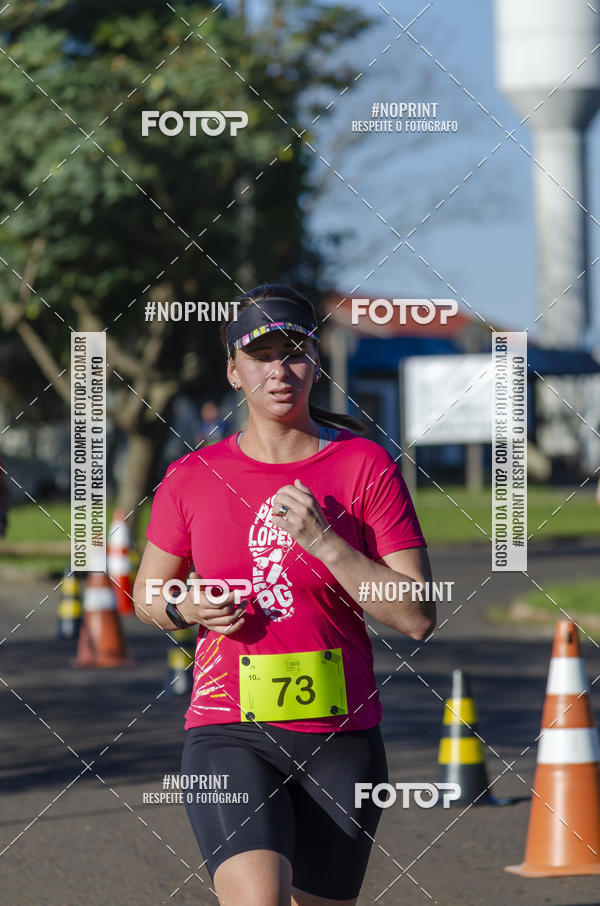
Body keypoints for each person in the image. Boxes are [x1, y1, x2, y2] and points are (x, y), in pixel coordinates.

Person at [133, 284, 436, 906]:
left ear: (316, 362)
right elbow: (146, 595)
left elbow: (416, 614)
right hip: (228, 733)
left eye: (295, 350)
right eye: (261, 353)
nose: (280, 369)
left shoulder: (364, 467)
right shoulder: (190, 478)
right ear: (233, 370)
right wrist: (184, 607)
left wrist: (328, 545)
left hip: (340, 738)